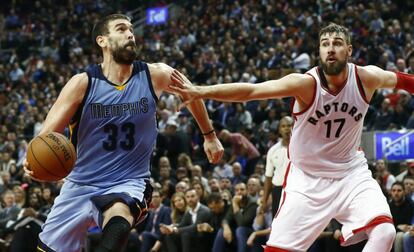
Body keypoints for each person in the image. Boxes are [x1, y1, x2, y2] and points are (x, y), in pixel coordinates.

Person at [169, 22, 414, 251]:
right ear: (319, 50)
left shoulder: (366, 77)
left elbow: (404, 80)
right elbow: (253, 90)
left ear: (349, 50)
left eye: (337, 43)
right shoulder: (306, 84)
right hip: (307, 179)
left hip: (350, 173)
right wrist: (202, 91)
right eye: (325, 43)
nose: (331, 48)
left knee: (385, 232)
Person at [23, 14, 223, 252]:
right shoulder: (82, 84)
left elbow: (192, 94)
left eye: (131, 29)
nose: (130, 33)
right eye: (121, 29)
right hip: (80, 182)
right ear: (102, 41)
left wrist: (209, 136)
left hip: (128, 181)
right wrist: (33, 160)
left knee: (118, 220)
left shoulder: (154, 74)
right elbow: (45, 137)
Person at [261, 116, 293, 216]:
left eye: (289, 125)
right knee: (277, 225)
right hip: (278, 191)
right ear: (279, 130)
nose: (287, 128)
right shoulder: (273, 150)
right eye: (283, 126)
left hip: (296, 190)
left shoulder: (301, 148)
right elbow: (268, 176)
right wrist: (264, 201)